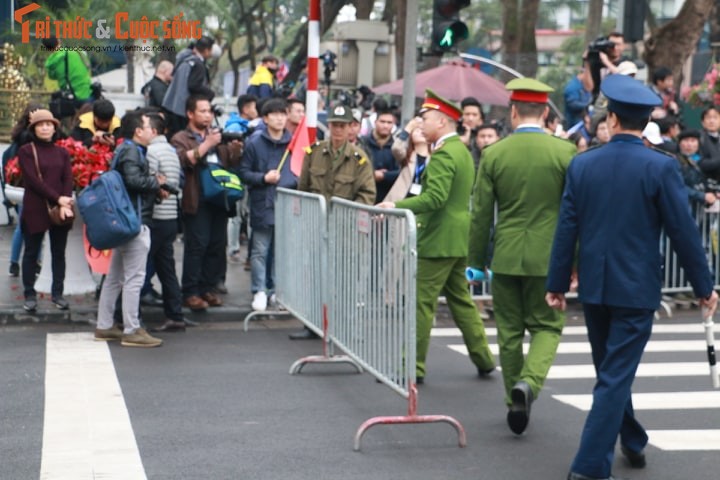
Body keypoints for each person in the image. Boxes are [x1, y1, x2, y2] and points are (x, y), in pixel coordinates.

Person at [545, 74, 718, 480]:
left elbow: (566, 227)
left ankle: (633, 439)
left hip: (594, 286)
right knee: (614, 376)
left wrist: (556, 282)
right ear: (644, 122)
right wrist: (704, 285)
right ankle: (589, 467)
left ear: (612, 117)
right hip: (637, 286)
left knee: (611, 372)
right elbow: (683, 232)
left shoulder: (583, 163)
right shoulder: (660, 166)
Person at [468, 78, 576, 435]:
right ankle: (529, 383)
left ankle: (513, 396)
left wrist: (475, 259)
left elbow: (481, 213)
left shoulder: (494, 153)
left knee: (509, 331)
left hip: (506, 256)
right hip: (549, 258)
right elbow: (575, 214)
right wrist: (574, 261)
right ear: (545, 113)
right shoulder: (566, 152)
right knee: (547, 326)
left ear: (513, 112)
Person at [377, 89, 496, 384]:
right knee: (461, 301)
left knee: (421, 304)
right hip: (456, 237)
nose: (420, 125)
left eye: (425, 119)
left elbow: (435, 198)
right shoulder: (461, 151)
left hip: (439, 238)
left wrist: (396, 204)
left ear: (441, 122)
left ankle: (411, 367)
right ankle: (483, 357)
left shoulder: (444, 154)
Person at [292, 104, 375, 339]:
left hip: (345, 230)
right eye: (334, 125)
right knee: (316, 277)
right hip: (317, 227)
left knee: (345, 280)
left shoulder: (359, 159)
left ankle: (345, 326)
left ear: (351, 128)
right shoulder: (314, 153)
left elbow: (367, 194)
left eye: (342, 126)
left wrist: (347, 213)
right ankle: (314, 325)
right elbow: (304, 189)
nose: (337, 130)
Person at [93, 111, 166, 347]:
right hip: (135, 221)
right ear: (138, 130)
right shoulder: (132, 151)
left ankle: (105, 325)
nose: (151, 130)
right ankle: (132, 329)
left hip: (125, 220)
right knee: (134, 278)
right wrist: (156, 183)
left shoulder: (123, 149)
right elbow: (134, 182)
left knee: (114, 277)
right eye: (147, 126)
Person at [171, 95, 243, 312]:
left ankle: (207, 288)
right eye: (202, 111)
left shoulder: (217, 135)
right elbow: (185, 160)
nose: (207, 115)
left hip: (220, 198)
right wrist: (207, 144)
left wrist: (236, 149)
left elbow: (230, 162)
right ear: (190, 113)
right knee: (197, 245)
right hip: (197, 198)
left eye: (209, 111)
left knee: (216, 245)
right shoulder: (181, 137)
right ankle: (190, 292)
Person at [239, 98, 296, 312]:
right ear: (265, 118)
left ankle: (277, 291)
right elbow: (244, 172)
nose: (280, 118)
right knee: (260, 250)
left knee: (282, 252)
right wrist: (263, 178)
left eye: (283, 114)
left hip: (286, 203)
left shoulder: (292, 145)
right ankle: (259, 290)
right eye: (274, 114)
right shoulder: (254, 143)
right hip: (262, 203)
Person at [16, 109, 75, 312]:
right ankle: (29, 295)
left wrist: (65, 203)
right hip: (35, 207)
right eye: (41, 125)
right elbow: (33, 181)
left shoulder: (63, 152)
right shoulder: (26, 151)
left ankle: (57, 294)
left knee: (58, 252)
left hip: (60, 208)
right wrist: (58, 198)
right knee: (31, 252)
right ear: (34, 129)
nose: (45, 128)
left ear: (54, 128)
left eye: (49, 124)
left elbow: (68, 178)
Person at [143, 114, 192, 333]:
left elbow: (152, 181)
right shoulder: (171, 152)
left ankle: (128, 317)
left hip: (157, 216)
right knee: (166, 269)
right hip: (171, 217)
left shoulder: (152, 152)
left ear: (153, 131)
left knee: (139, 268)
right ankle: (175, 315)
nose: (139, 130)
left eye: (143, 126)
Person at [2, 102, 43, 277]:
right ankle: (34, 262)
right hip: (27, 187)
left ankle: (15, 262)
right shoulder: (29, 136)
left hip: (19, 187)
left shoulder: (18, 135)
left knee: (24, 225)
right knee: (30, 226)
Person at [162, 36, 216, 138]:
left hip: (172, 106)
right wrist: (210, 94)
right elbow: (194, 85)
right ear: (206, 50)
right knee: (184, 138)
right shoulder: (198, 64)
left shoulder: (184, 59)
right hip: (184, 109)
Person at [384, 116, 429, 202]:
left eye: (423, 130)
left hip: (422, 201)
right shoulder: (407, 155)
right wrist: (409, 128)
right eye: (417, 130)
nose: (420, 132)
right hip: (401, 198)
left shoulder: (435, 156)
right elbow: (396, 148)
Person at [359, 108, 398, 202]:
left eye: (389, 123)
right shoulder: (363, 143)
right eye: (382, 122)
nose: (385, 126)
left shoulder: (397, 146)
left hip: (389, 198)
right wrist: (373, 174)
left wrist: (384, 175)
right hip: (365, 196)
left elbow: (402, 172)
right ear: (375, 122)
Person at [43, 36, 93, 106]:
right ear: (59, 41)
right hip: (85, 93)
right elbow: (88, 66)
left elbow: (52, 76)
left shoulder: (51, 63)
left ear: (47, 48)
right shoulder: (77, 52)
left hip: (68, 98)